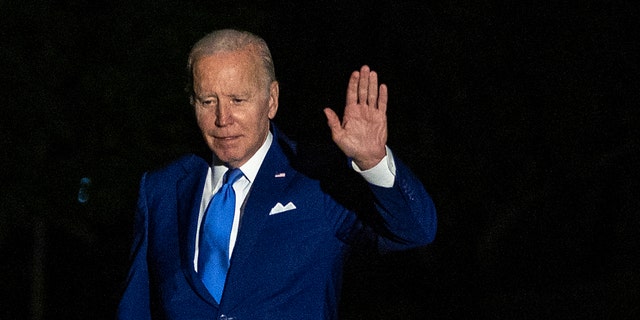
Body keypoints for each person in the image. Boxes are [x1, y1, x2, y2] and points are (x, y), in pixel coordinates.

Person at [117, 28, 437, 320]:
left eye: (237, 100)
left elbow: (414, 232)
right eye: (208, 101)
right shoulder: (162, 188)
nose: (222, 118)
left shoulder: (316, 180)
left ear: (271, 100)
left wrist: (374, 162)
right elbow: (136, 307)